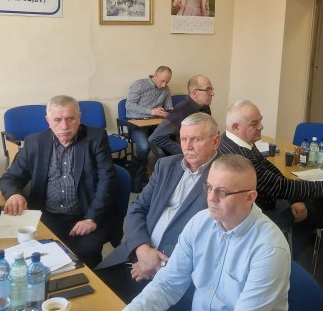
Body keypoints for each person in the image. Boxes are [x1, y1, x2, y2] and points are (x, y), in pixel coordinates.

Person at [124, 155, 291, 311]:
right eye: (209, 187)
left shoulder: (270, 249)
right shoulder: (200, 222)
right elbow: (167, 285)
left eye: (222, 192)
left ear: (250, 198)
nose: (211, 197)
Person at [96, 113, 220, 308]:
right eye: (184, 139)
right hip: (136, 252)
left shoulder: (223, 178)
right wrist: (142, 249)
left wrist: (157, 263)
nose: (187, 147)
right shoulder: (166, 166)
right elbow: (137, 208)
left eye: (196, 139)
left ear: (215, 141)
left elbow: (213, 239)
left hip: (174, 273)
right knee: (91, 293)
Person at [218, 100, 323, 256]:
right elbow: (282, 187)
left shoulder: (230, 140)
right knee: (315, 208)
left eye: (260, 121)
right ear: (235, 127)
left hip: (253, 203)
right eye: (254, 124)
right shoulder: (242, 158)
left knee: (303, 200)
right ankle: (288, 260)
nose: (261, 127)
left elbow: (269, 169)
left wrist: (294, 199)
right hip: (258, 212)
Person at [0, 95, 117, 268]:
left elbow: (107, 181)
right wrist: (14, 194)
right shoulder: (35, 142)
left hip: (85, 214)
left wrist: (92, 218)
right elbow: (10, 178)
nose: (64, 126)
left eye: (70, 119)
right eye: (57, 120)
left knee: (86, 256)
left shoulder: (96, 138)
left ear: (79, 118)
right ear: (48, 121)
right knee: (35, 257)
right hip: (47, 215)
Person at [149, 75, 213, 156]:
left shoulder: (205, 107)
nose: (212, 93)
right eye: (208, 90)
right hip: (187, 157)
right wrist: (186, 152)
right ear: (194, 93)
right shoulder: (182, 111)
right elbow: (155, 138)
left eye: (211, 89)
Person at [125, 66, 173, 174]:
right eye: (162, 81)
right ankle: (140, 172)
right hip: (138, 122)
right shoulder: (139, 85)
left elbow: (169, 107)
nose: (164, 85)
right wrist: (151, 111)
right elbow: (129, 105)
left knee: (168, 142)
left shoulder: (166, 89)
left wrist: (167, 113)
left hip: (156, 123)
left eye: (167, 82)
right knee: (144, 147)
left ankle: (163, 172)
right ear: (155, 75)